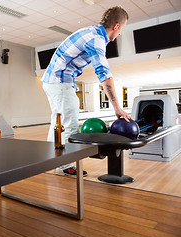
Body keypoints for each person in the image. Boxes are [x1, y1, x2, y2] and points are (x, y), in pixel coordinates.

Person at [41, 6, 131, 176]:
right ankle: (63, 166)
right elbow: (104, 75)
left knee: (58, 122)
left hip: (53, 80)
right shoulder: (96, 39)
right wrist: (117, 108)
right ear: (117, 26)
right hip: (60, 80)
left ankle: (51, 160)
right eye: (122, 29)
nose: (120, 34)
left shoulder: (92, 32)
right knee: (70, 125)